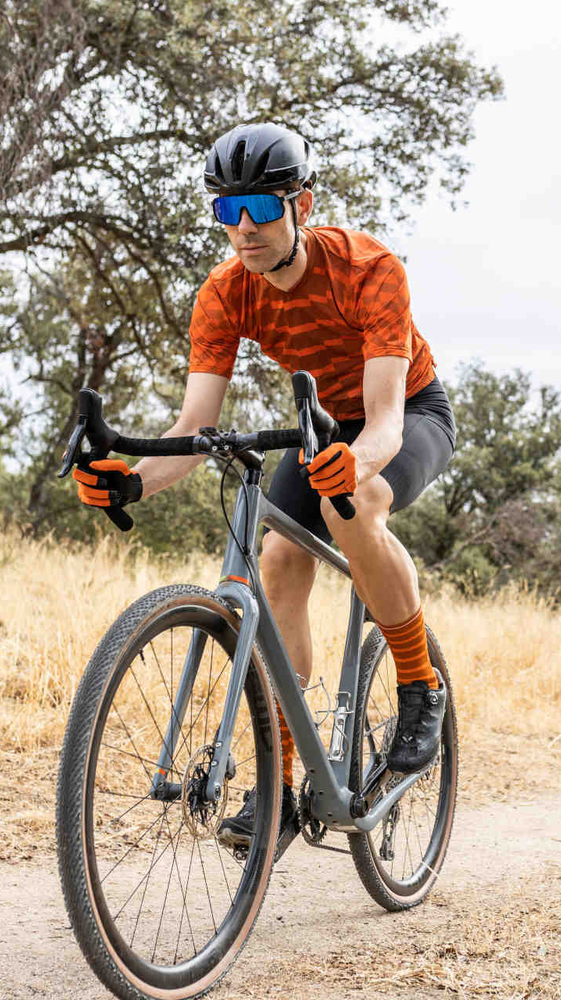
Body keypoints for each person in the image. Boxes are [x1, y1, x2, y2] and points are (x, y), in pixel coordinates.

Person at [72, 122, 456, 848]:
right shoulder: (225, 293)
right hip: (317, 425)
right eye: (227, 211)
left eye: (260, 210)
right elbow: (193, 429)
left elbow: (383, 423)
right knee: (275, 560)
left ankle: (419, 684)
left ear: (301, 205)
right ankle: (279, 778)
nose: (242, 230)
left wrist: (359, 464)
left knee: (355, 507)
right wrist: (128, 482)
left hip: (406, 412)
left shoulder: (369, 269)